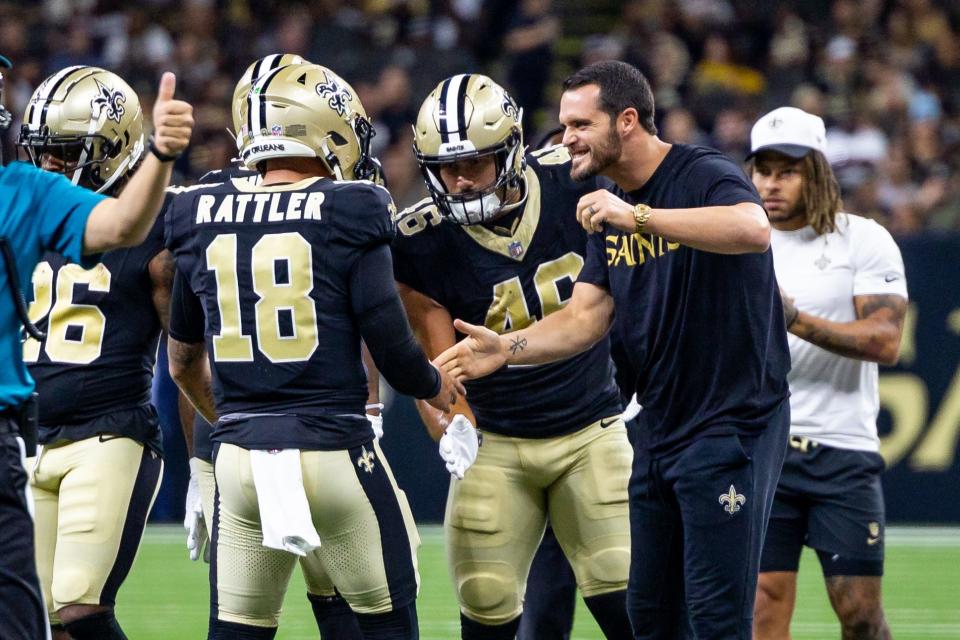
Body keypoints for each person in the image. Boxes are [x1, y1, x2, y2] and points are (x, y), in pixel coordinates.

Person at [436, 60, 791, 639]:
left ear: (627, 121)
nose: (566, 138)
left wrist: (641, 217)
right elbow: (585, 317)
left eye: (579, 124)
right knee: (646, 617)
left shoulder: (697, 171)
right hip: (658, 428)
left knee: (717, 620)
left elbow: (752, 229)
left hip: (732, 423)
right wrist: (508, 347)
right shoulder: (606, 200)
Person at [164, 62, 459, 640]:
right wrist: (435, 387)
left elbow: (180, 361)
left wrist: (234, 429)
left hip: (241, 462)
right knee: (387, 622)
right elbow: (391, 344)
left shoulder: (196, 208)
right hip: (331, 449)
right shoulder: (349, 208)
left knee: (238, 630)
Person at [393, 73, 632, 639]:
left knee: (625, 591)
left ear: (512, 149)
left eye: (475, 162)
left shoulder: (576, 181)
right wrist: (451, 425)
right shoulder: (417, 239)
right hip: (495, 442)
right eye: (445, 167)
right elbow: (437, 366)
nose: (458, 179)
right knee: (486, 600)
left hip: (589, 427)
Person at [0, 52, 192, 640]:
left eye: (68, 152)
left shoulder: (156, 222)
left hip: (107, 431)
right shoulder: (25, 198)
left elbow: (187, 350)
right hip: (28, 438)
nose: (51, 164)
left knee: (77, 614)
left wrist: (209, 455)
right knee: (30, 620)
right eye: (44, 148)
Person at [748, 107, 905, 640]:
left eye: (787, 170)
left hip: (841, 448)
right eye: (763, 170)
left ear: (818, 170)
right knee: (762, 603)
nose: (772, 183)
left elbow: (885, 339)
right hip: (761, 448)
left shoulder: (862, 238)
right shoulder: (740, 242)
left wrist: (795, 319)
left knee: (859, 612)